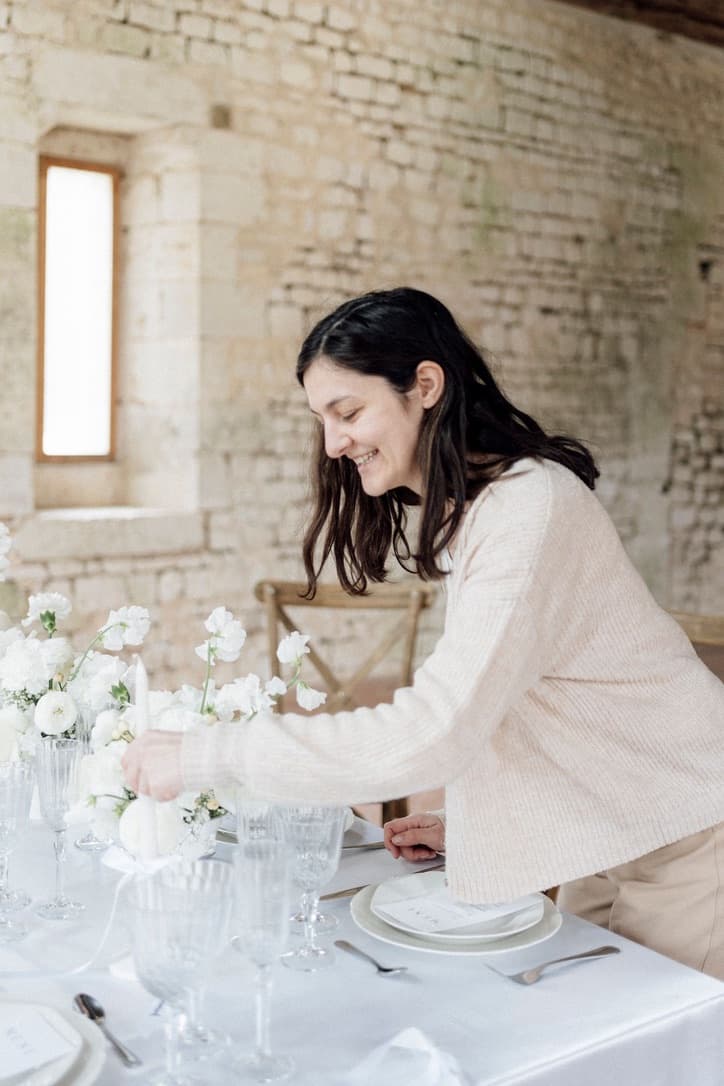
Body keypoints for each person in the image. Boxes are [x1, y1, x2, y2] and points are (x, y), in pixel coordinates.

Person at [123, 287, 724, 978]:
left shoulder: (532, 508)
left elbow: (434, 729)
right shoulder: (480, 510)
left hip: (689, 831)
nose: (333, 442)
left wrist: (209, 755)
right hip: (605, 829)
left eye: (348, 412)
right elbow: (512, 699)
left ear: (425, 386)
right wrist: (479, 823)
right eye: (322, 419)